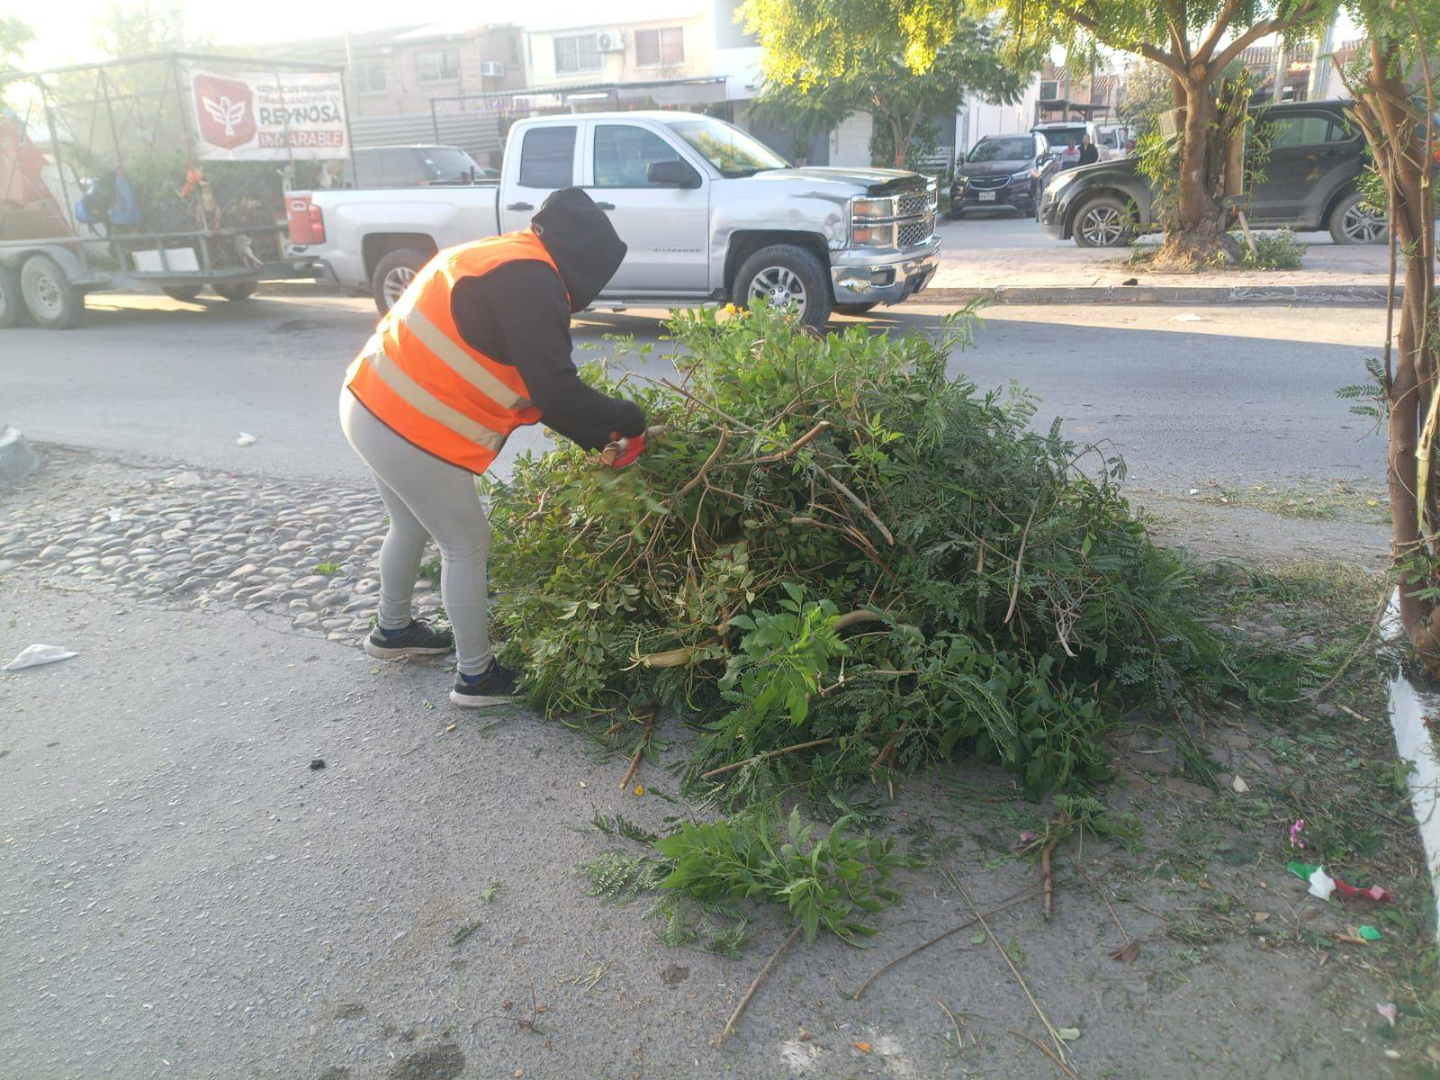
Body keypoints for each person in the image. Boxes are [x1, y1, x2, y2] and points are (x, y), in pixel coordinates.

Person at [339, 187, 646, 707]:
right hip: (412, 430)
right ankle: (477, 678)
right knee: (467, 544)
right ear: (585, 261)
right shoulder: (533, 282)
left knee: (411, 523)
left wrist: (598, 438)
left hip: (367, 403)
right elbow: (555, 389)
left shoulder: (501, 255)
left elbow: (542, 391)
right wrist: (627, 420)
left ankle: (393, 631)